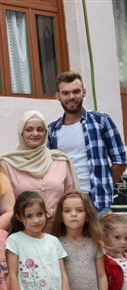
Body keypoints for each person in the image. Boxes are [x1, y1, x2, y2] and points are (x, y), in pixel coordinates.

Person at [48, 71, 127, 213]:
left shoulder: (101, 121)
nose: (71, 97)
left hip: (98, 202)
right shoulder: (52, 130)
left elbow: (120, 161)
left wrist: (104, 185)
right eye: (65, 93)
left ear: (84, 92)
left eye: (76, 91)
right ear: (57, 96)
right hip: (65, 203)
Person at [1, 111, 77, 230]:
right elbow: (6, 206)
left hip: (59, 232)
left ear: (46, 133)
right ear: (21, 133)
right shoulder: (7, 164)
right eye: (29, 130)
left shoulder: (60, 161)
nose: (35, 134)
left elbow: (71, 198)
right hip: (24, 233)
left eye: (40, 130)